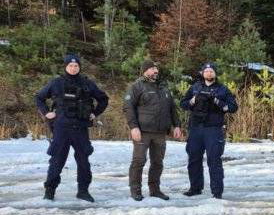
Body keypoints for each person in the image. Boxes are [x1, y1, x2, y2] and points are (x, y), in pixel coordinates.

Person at [35, 53, 109, 202]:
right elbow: (39, 97)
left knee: (83, 161)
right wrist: (46, 113)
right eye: (71, 65)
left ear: (79, 67)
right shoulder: (56, 83)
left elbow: (103, 99)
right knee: (57, 160)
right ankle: (50, 191)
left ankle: (83, 191)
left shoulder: (87, 83)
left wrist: (95, 113)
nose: (74, 68)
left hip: (80, 128)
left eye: (76, 66)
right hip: (61, 128)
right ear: (66, 66)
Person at [122, 60, 182, 201]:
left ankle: (155, 190)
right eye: (152, 68)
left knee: (158, 162)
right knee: (139, 161)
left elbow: (172, 108)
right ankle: (135, 190)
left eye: (156, 68)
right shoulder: (136, 87)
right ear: (145, 71)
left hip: (160, 132)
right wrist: (133, 127)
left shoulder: (163, 88)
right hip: (142, 131)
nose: (156, 71)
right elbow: (128, 107)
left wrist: (177, 125)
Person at [179, 62, 238, 199]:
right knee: (194, 159)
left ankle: (217, 192)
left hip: (213, 129)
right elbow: (183, 104)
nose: (209, 73)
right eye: (206, 71)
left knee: (214, 160)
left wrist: (218, 102)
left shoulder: (222, 89)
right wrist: (193, 100)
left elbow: (233, 107)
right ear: (202, 73)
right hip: (196, 128)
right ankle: (195, 188)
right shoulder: (195, 87)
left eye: (211, 71)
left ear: (215, 74)